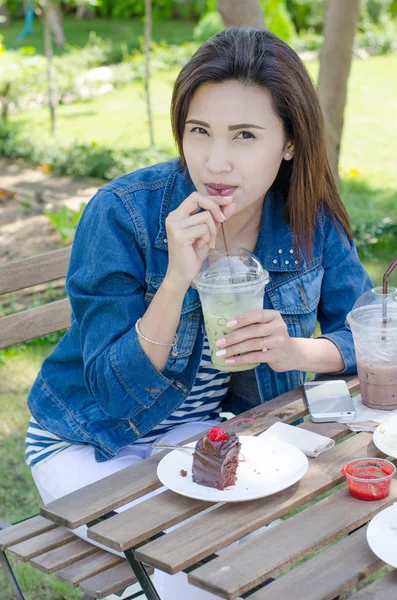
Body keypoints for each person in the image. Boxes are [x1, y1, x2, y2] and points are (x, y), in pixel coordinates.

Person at [25, 27, 372, 599]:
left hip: (197, 438)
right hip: (87, 440)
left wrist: (293, 350)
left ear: (288, 142)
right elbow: (110, 396)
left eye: (244, 136)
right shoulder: (124, 214)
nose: (216, 161)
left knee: (244, 576)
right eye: (199, 132)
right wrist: (178, 277)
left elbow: (371, 330)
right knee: (186, 588)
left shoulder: (306, 220)